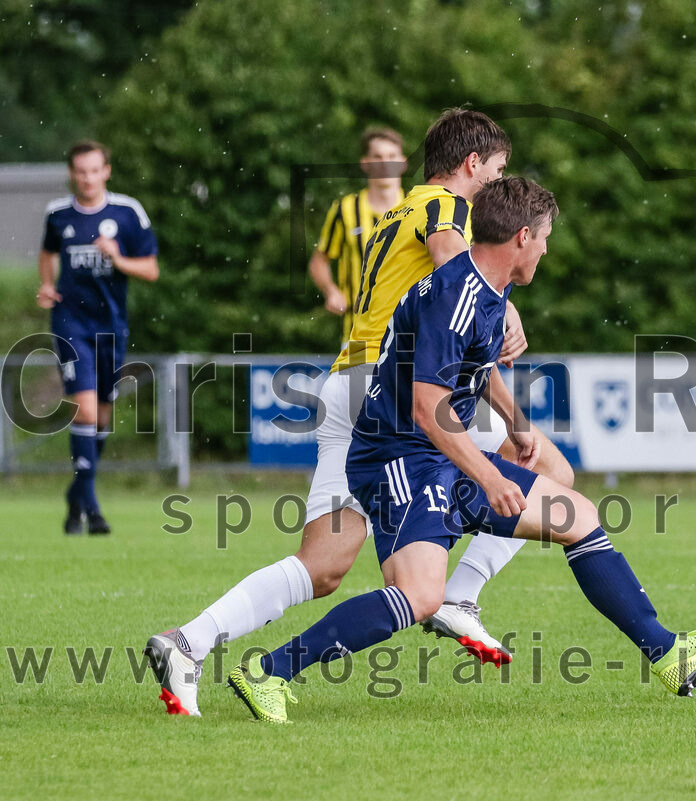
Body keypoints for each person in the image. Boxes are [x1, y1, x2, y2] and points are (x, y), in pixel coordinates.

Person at [226, 177, 696, 723]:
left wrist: (518, 425)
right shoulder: (454, 296)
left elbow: (473, 368)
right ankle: (269, 671)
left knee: (578, 515)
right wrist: (492, 478)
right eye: (545, 237)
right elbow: (429, 408)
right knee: (418, 598)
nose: (547, 248)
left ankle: (668, 653)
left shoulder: (489, 287)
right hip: (398, 459)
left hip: (431, 453)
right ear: (522, 237)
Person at [146, 109, 572, 717]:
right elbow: (459, 280)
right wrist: (504, 306)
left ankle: (186, 642)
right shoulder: (445, 208)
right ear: (471, 165)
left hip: (347, 382)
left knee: (322, 566)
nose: (498, 188)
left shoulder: (394, 213)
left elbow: (447, 327)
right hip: (391, 393)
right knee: (551, 472)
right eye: (497, 171)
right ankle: (460, 596)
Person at [37, 140, 159, 535]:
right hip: (71, 322)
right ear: (72, 173)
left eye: (94, 170)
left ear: (106, 171)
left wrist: (118, 258)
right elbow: (47, 253)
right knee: (86, 412)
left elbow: (151, 270)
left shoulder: (127, 212)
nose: (87, 178)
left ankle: (77, 497)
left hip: (111, 326)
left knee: (103, 417)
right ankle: (93, 509)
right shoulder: (58, 214)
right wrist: (46, 284)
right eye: (80, 171)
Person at [309, 127, 406, 343]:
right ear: (366, 163)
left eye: (391, 156)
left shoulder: (418, 208)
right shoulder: (345, 210)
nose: (385, 163)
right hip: (358, 335)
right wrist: (331, 290)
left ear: (402, 163)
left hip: (408, 335)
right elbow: (319, 261)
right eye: (378, 157)